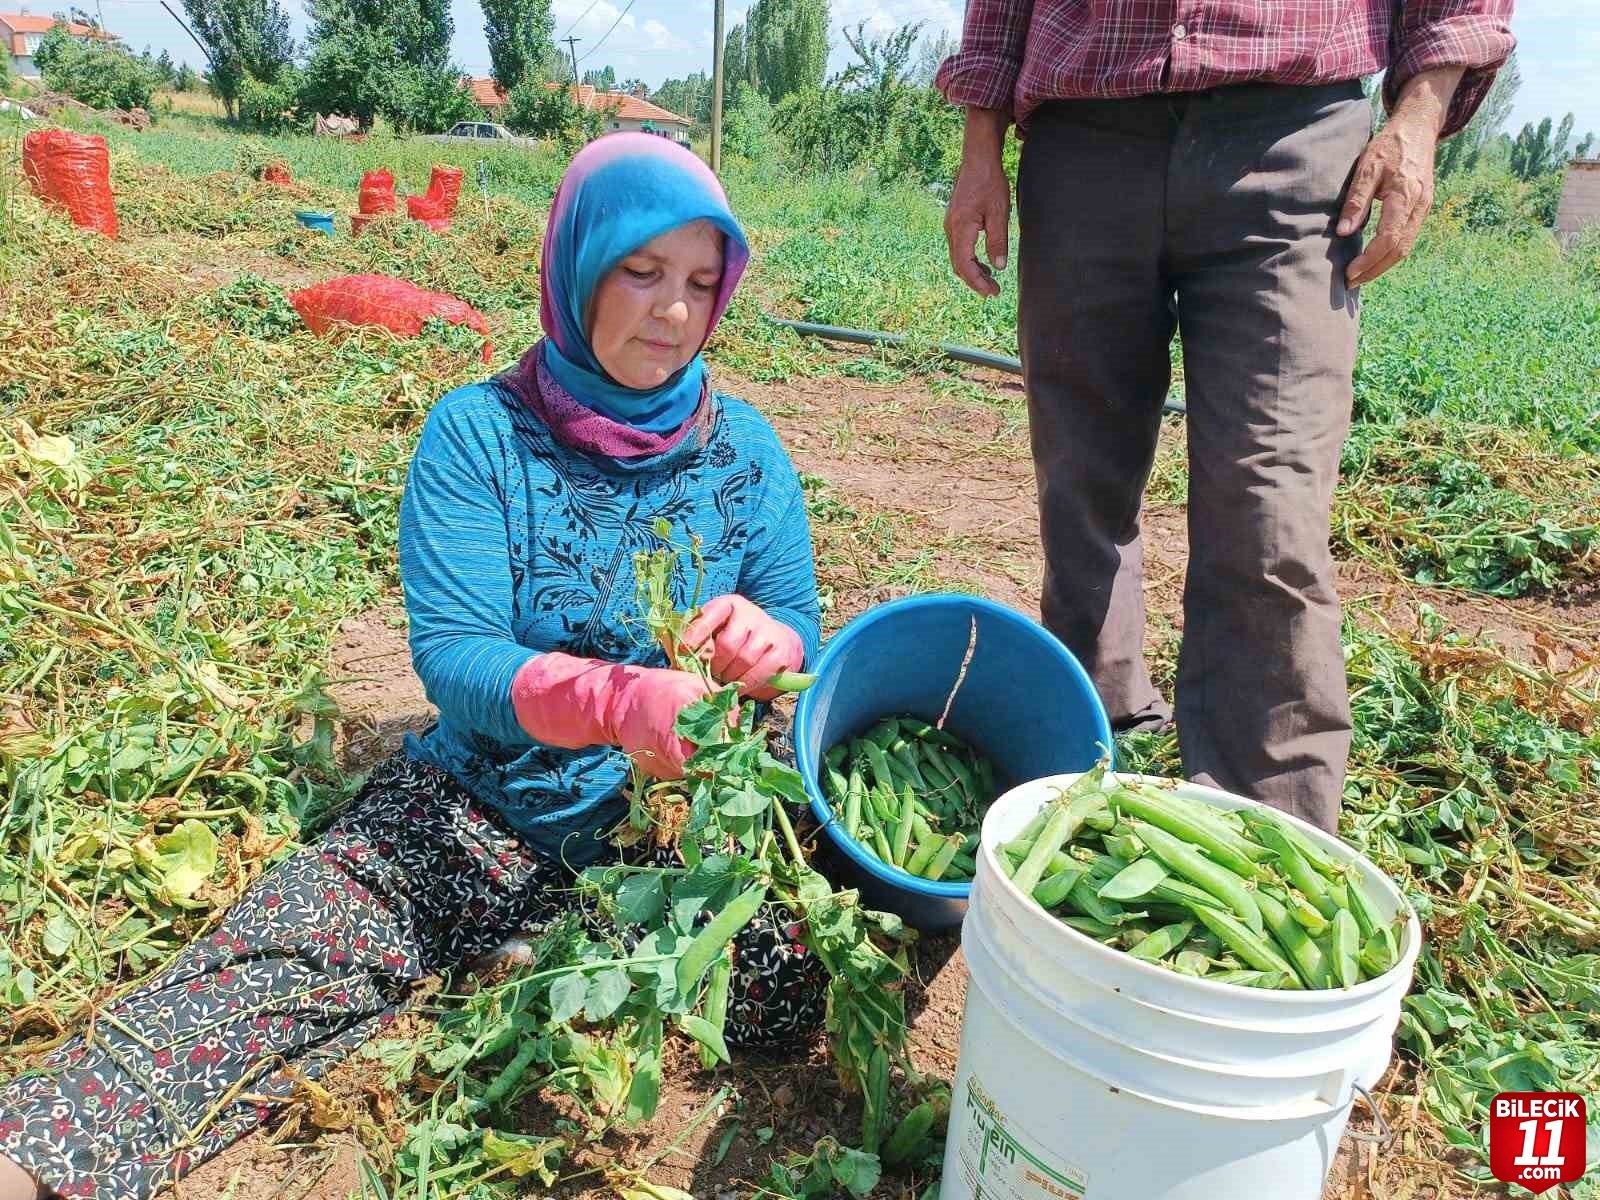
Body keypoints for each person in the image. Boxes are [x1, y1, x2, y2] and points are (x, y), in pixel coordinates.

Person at [0, 133, 824, 1200]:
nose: (672, 310)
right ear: (578, 264)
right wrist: (618, 700)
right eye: (640, 270)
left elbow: (796, 621)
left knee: (784, 990)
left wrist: (773, 643)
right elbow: (458, 659)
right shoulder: (480, 437)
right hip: (481, 806)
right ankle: (34, 1159)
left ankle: (545, 945)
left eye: (702, 283)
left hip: (679, 828)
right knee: (267, 972)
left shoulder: (744, 449)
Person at [937, 1, 1513, 832]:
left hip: (1293, 138)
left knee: (1270, 505)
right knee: (1080, 482)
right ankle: (1092, 751)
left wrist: (1418, 119)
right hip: (1084, 137)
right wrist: (979, 143)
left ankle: (1264, 828)